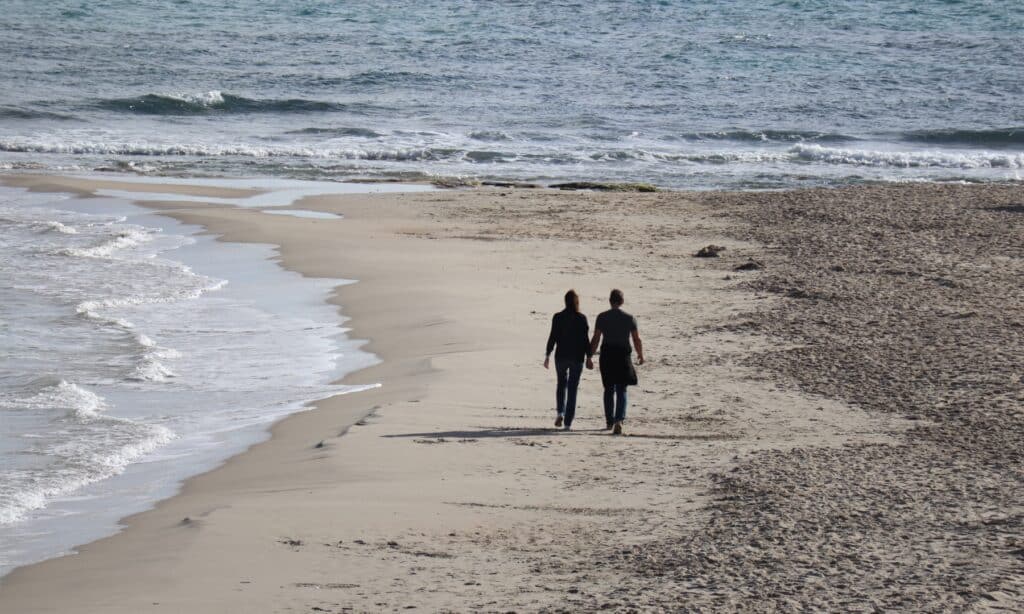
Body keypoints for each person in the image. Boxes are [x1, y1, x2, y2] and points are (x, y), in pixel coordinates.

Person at [590, 289, 644, 435]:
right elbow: (636, 339)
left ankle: (609, 421)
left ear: (610, 300)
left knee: (608, 389)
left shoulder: (602, 317)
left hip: (607, 355)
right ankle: (618, 420)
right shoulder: (630, 318)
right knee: (622, 389)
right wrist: (640, 354)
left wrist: (589, 356)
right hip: (622, 355)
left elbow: (596, 338)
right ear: (622, 301)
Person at [544, 289, 594, 430]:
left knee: (561, 384)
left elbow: (552, 337)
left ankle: (560, 412)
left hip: (561, 356)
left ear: (565, 302)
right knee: (572, 389)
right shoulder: (581, 318)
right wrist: (589, 357)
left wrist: (547, 355)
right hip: (577, 357)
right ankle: (567, 423)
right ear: (577, 302)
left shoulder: (557, 317)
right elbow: (585, 340)